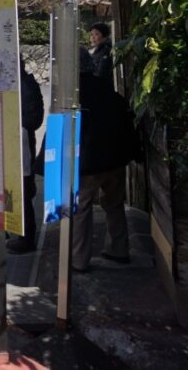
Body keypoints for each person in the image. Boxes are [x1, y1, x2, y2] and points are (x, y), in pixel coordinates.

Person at [0, 56, 45, 252]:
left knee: (21, 191)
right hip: (2, 141)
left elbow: (34, 119)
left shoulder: (24, 84)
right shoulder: (10, 82)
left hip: (19, 144)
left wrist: (11, 120)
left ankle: (26, 238)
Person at [73, 47, 132, 272]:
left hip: (89, 164)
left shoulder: (75, 94)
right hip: (116, 159)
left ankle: (79, 259)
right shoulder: (107, 89)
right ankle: (119, 249)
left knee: (82, 208)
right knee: (114, 204)